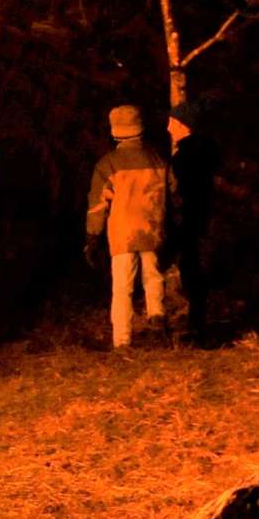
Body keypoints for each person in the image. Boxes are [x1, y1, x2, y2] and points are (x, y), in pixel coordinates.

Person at [86, 103, 180, 350]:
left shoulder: (108, 163)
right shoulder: (158, 159)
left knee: (122, 288)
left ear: (115, 131)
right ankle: (157, 319)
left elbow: (98, 204)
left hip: (122, 234)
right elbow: (174, 193)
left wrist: (92, 236)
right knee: (153, 277)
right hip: (152, 228)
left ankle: (122, 340)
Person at [167, 102, 219, 336]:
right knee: (197, 270)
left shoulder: (184, 157)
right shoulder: (209, 151)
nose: (168, 128)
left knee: (192, 271)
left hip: (192, 220)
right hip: (205, 218)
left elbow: (180, 191)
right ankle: (198, 323)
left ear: (184, 125)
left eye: (172, 122)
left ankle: (197, 327)